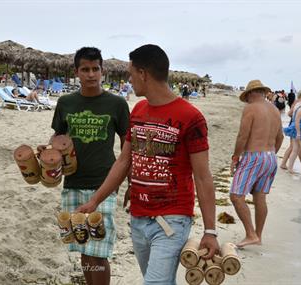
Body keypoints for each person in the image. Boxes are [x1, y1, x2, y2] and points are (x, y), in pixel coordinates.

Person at [77, 44, 219, 284]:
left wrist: (210, 230)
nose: (129, 79)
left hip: (171, 221)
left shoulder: (191, 117)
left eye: (131, 74)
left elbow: (203, 177)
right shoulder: (140, 109)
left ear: (143, 73)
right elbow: (123, 162)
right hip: (139, 218)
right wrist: (94, 201)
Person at [38, 47, 130, 285]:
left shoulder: (117, 104)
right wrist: (48, 153)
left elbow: (128, 147)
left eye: (95, 69)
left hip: (105, 183)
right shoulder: (66, 102)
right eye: (85, 69)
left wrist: (131, 182)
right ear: (76, 72)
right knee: (83, 247)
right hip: (73, 181)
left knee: (98, 252)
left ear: (103, 71)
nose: (91, 74)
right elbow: (58, 138)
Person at [230, 80, 283, 248]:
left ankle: (251, 234)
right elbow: (280, 137)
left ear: (251, 94)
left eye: (247, 97)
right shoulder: (274, 109)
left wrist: (235, 157)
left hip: (254, 156)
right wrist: (271, 153)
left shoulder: (250, 108)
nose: (246, 101)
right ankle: (258, 236)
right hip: (271, 157)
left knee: (236, 196)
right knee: (260, 197)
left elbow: (242, 136)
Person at [280, 98, 301, 171]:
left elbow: (289, 113)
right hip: (298, 127)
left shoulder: (297, 102)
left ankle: (288, 165)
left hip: (294, 125)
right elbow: (290, 114)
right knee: (296, 149)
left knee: (295, 148)